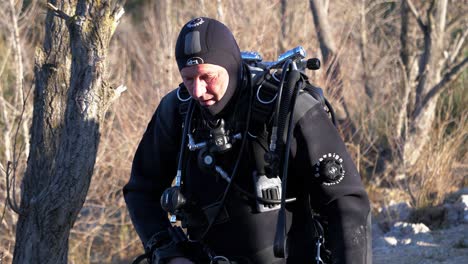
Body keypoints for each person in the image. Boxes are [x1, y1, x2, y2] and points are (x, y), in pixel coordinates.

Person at [123, 17, 372, 264]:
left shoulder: (285, 107)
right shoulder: (178, 112)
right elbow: (141, 190)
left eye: (207, 77)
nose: (197, 91)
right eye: (188, 79)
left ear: (229, 66)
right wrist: (168, 253)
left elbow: (346, 202)